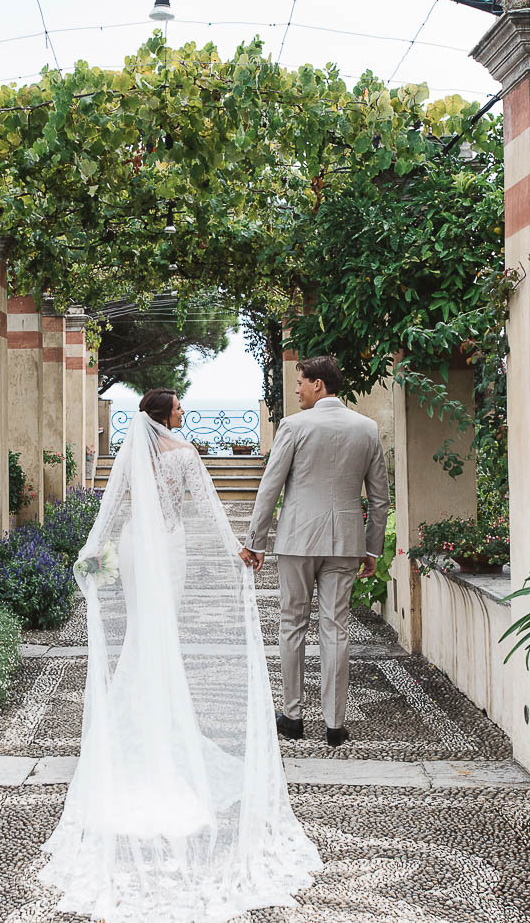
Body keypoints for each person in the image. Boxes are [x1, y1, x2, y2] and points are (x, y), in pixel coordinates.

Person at [39, 388, 321, 922]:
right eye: (179, 409)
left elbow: (111, 507)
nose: (185, 415)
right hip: (168, 549)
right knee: (158, 632)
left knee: (144, 636)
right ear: (164, 416)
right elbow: (210, 511)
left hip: (133, 547)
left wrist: (91, 551)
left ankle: (142, 722)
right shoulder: (185, 455)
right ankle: (159, 723)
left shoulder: (128, 454)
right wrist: (242, 548)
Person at [240, 355, 391, 748]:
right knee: (335, 627)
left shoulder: (294, 426)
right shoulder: (367, 429)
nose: (297, 390)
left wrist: (254, 541)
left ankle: (292, 716)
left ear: (318, 385)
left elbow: (269, 487)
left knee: (292, 624)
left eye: (301, 383)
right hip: (345, 542)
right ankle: (335, 724)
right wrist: (372, 548)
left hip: (297, 541)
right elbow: (379, 499)